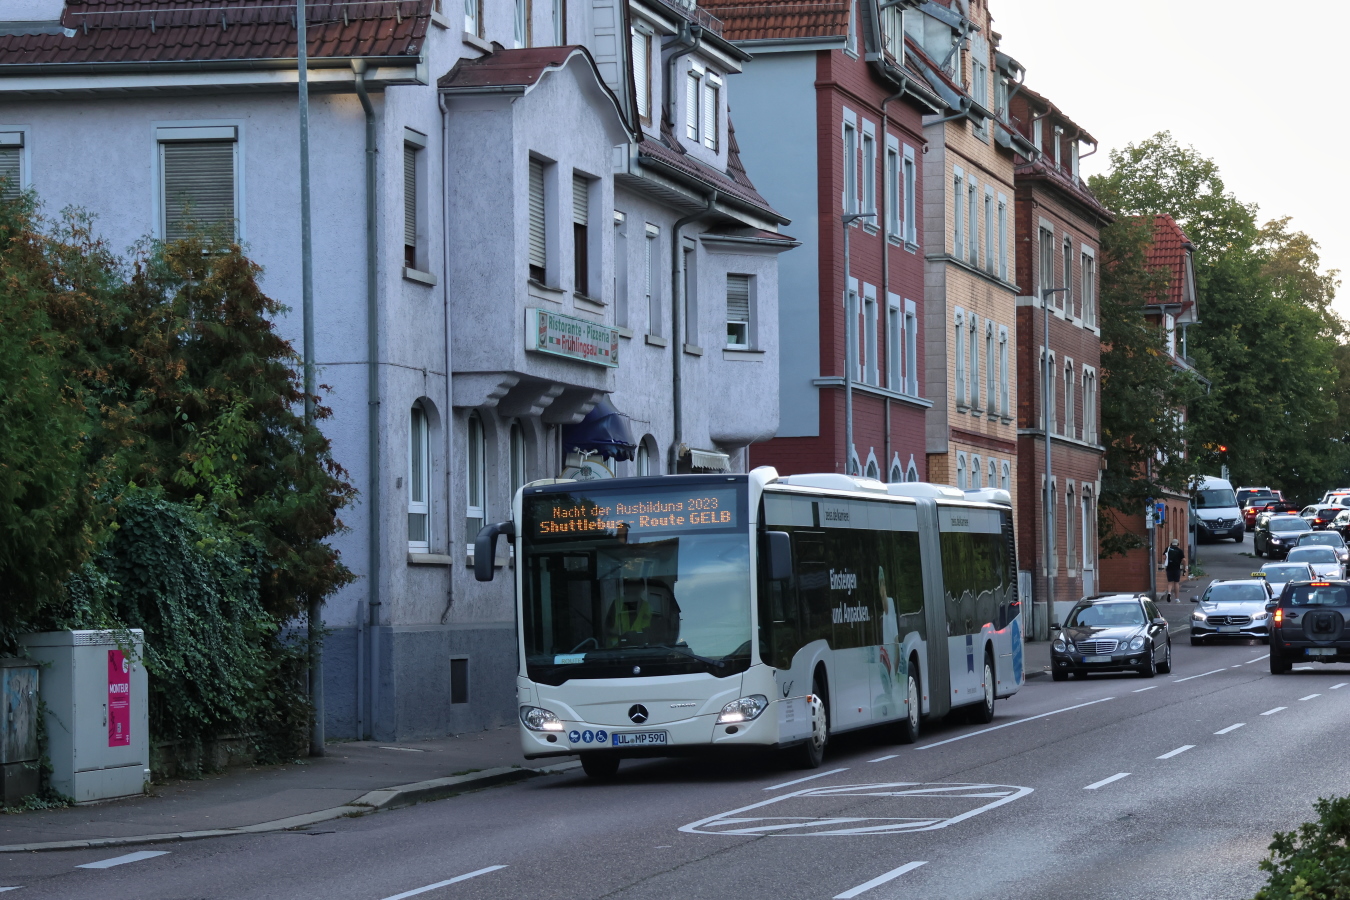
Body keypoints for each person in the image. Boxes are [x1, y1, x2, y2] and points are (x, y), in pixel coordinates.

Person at [1162, 538, 1185, 602]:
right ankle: (1177, 598)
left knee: (1170, 582)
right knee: (1176, 583)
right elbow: (1184, 560)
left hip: (1169, 567)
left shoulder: (1168, 549)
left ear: (1171, 543)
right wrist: (1184, 566)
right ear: (1177, 544)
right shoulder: (1180, 551)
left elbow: (1164, 557)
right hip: (1176, 568)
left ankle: (1169, 593)